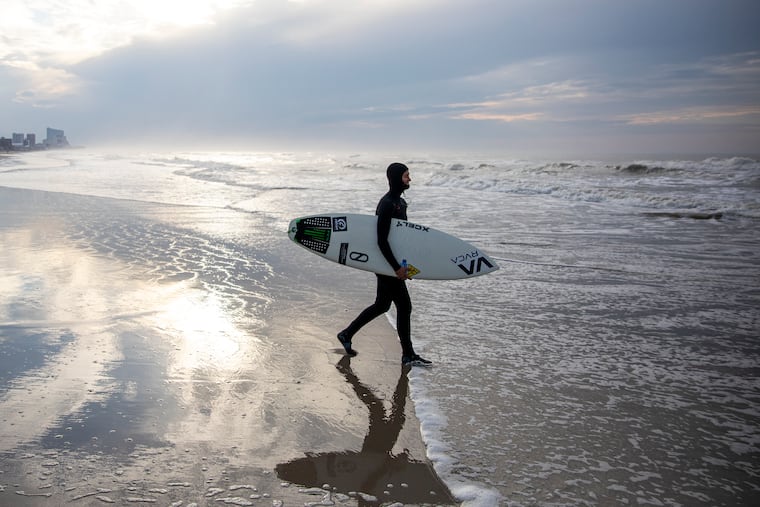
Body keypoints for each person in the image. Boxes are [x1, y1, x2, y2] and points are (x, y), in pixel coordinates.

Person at [337, 162, 432, 367]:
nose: (410, 179)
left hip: (392, 263)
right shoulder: (387, 204)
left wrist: (408, 265)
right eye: (407, 176)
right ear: (397, 178)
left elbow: (401, 240)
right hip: (385, 263)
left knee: (382, 305)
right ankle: (408, 354)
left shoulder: (401, 203)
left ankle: (346, 334)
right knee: (404, 306)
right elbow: (381, 240)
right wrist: (396, 268)